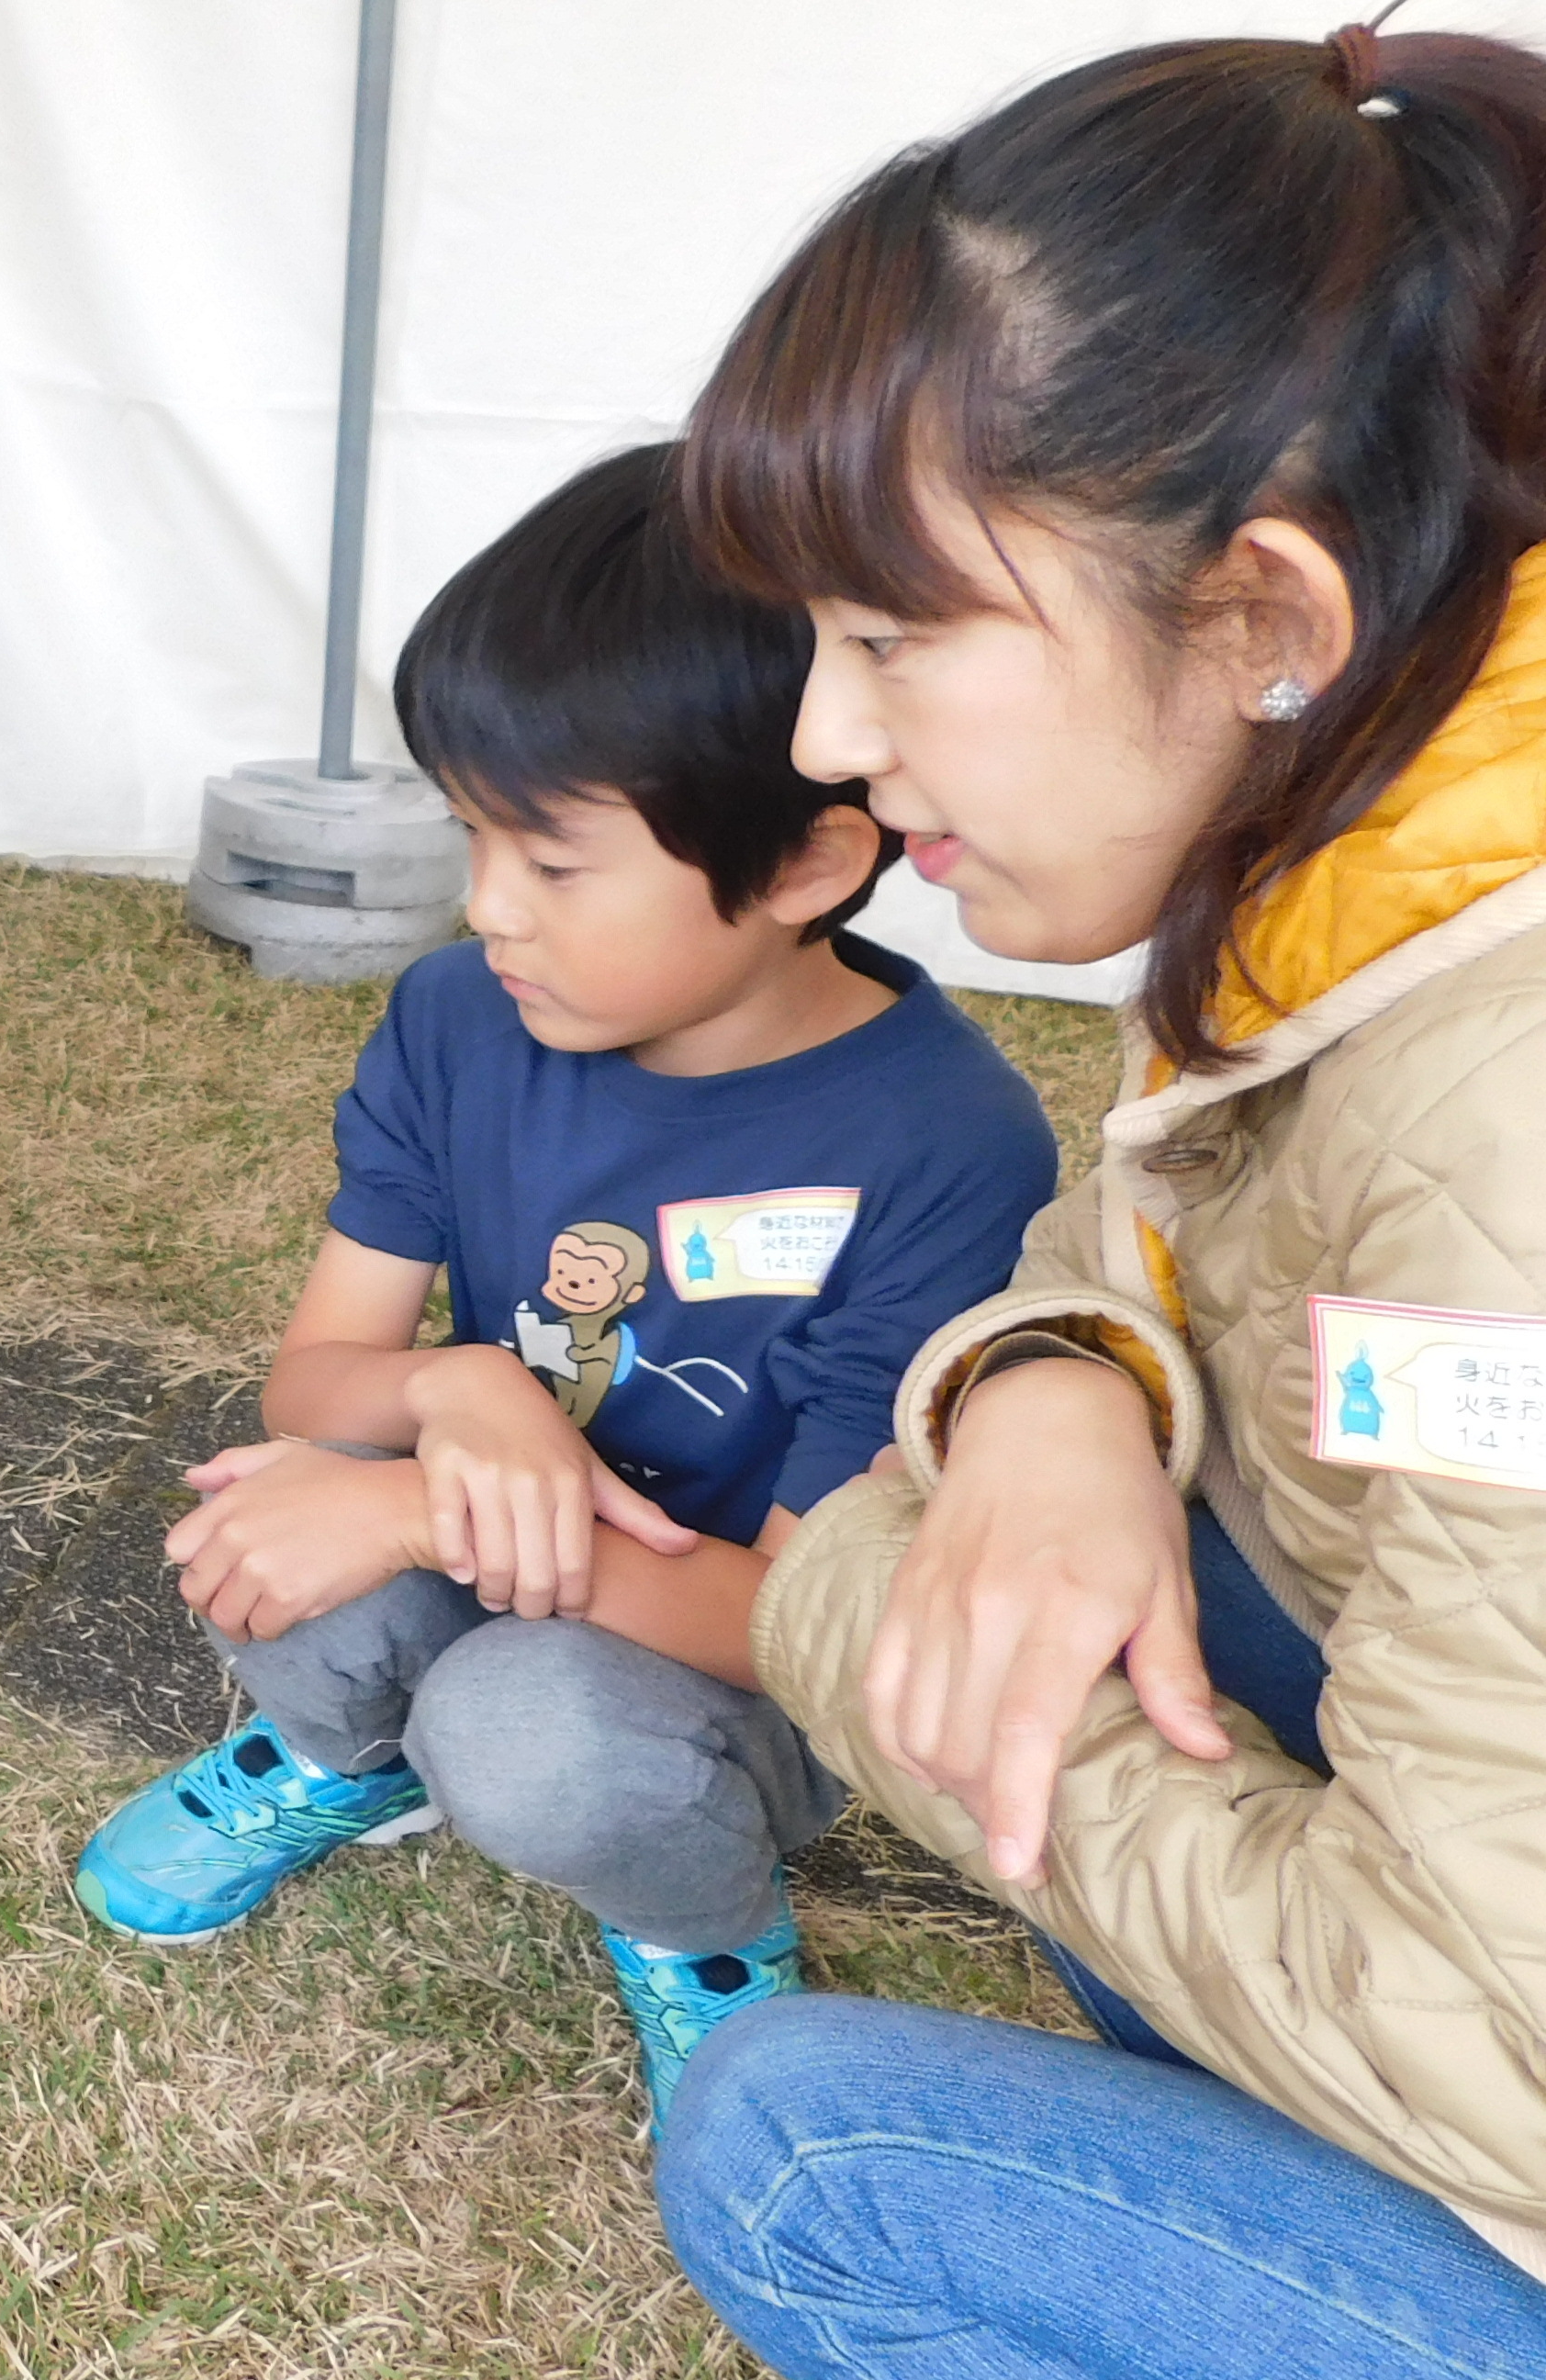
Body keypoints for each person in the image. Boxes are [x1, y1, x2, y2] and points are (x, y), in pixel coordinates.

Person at [648, 26, 1546, 2375]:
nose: (829, 737)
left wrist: (884, 1633)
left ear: (1264, 617)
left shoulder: (1512, 1104)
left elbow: (1499, 2062)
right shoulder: (1359, 860)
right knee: (1092, 1600)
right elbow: (1123, 1252)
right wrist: (1054, 1391)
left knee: (804, 2158)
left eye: (889, 637)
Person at [66, 446, 1058, 2122]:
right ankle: (329, 1761)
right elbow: (316, 1384)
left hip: (730, 1658)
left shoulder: (946, 1142)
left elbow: (793, 1624)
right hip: (512, 1516)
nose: (483, 908)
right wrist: (461, 1392)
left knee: (522, 1725)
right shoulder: (460, 1021)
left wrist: (424, 1515)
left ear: (812, 865)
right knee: (278, 1524)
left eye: (553, 860)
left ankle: (707, 1924)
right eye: (472, 835)